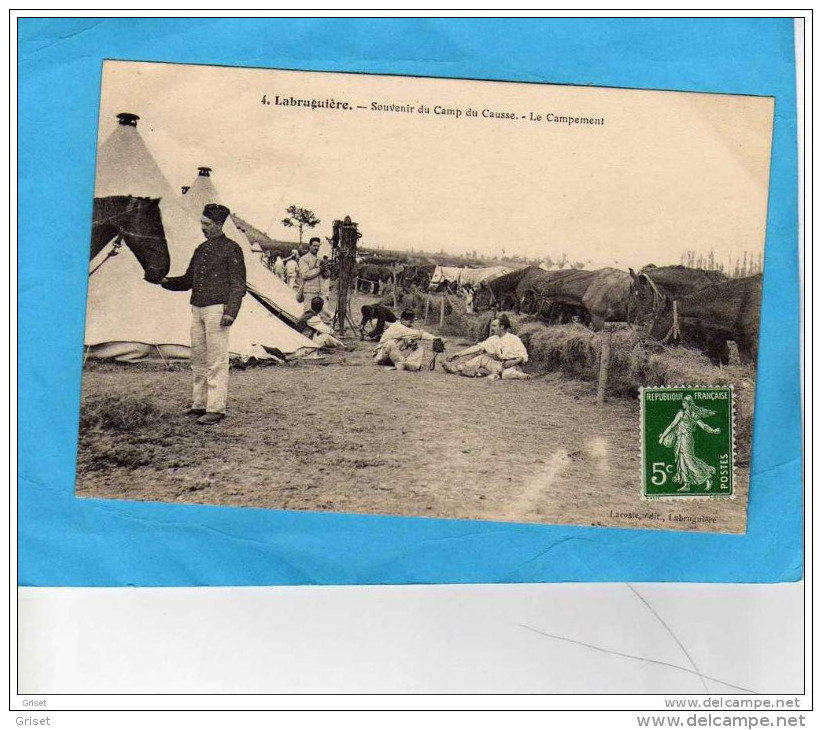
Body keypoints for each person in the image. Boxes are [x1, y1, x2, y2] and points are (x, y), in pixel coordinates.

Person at [160, 204, 246, 425]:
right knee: (197, 358)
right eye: (202, 224)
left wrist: (231, 312)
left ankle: (216, 408)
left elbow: (238, 285)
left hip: (218, 311)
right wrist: (165, 281)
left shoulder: (232, 249)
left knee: (216, 360)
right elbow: (188, 279)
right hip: (197, 308)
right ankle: (200, 404)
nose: (203, 228)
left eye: (206, 224)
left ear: (218, 225)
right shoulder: (200, 249)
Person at [658, 395, 721, 492]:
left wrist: (713, 431)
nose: (683, 404)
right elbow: (672, 426)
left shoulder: (690, 414)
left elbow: (703, 426)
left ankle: (707, 477)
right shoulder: (683, 413)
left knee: (689, 460)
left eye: (684, 402)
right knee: (681, 460)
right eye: (682, 402)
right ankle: (686, 484)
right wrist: (663, 436)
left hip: (687, 439)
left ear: (689, 403)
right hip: (680, 438)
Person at [442, 314, 530, 379]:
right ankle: (455, 369)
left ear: (502, 327)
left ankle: (522, 376)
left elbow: (524, 356)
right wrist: (459, 354)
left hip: (513, 366)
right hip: (498, 364)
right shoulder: (493, 339)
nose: (492, 328)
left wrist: (513, 362)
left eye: (495, 326)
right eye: (492, 326)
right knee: (481, 358)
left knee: (506, 374)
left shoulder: (514, 339)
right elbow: (478, 347)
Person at [373, 309, 438, 371]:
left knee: (417, 347)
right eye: (410, 322)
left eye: (412, 322)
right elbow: (419, 334)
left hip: (392, 354)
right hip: (382, 355)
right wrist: (436, 338)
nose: (411, 324)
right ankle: (402, 364)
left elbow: (406, 341)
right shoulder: (397, 327)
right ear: (402, 319)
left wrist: (412, 344)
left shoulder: (403, 327)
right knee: (390, 343)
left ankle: (409, 364)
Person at [298, 237, 323, 309]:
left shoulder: (320, 259)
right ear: (310, 246)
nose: (316, 248)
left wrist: (326, 270)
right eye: (314, 246)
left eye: (318, 246)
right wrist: (319, 269)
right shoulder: (304, 259)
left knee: (323, 315)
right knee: (308, 312)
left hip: (320, 291)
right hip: (309, 291)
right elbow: (305, 275)